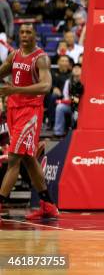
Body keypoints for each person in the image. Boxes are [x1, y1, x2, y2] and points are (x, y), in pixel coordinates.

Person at [0, 24, 58, 222]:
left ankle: (0, 202)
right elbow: (2, 71)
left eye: (28, 32)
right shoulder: (14, 55)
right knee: (29, 159)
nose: (24, 35)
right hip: (14, 110)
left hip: (30, 112)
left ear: (35, 35)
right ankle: (48, 205)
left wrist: (15, 90)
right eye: (22, 32)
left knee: (14, 158)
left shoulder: (41, 58)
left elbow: (46, 86)